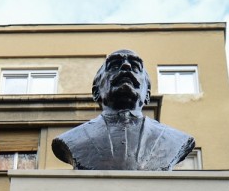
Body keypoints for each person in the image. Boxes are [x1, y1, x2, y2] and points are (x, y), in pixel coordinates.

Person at [51, 49, 196, 171]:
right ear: (96, 92)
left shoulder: (174, 139)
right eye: (114, 65)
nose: (126, 66)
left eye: (135, 66)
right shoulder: (73, 139)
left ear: (148, 95)